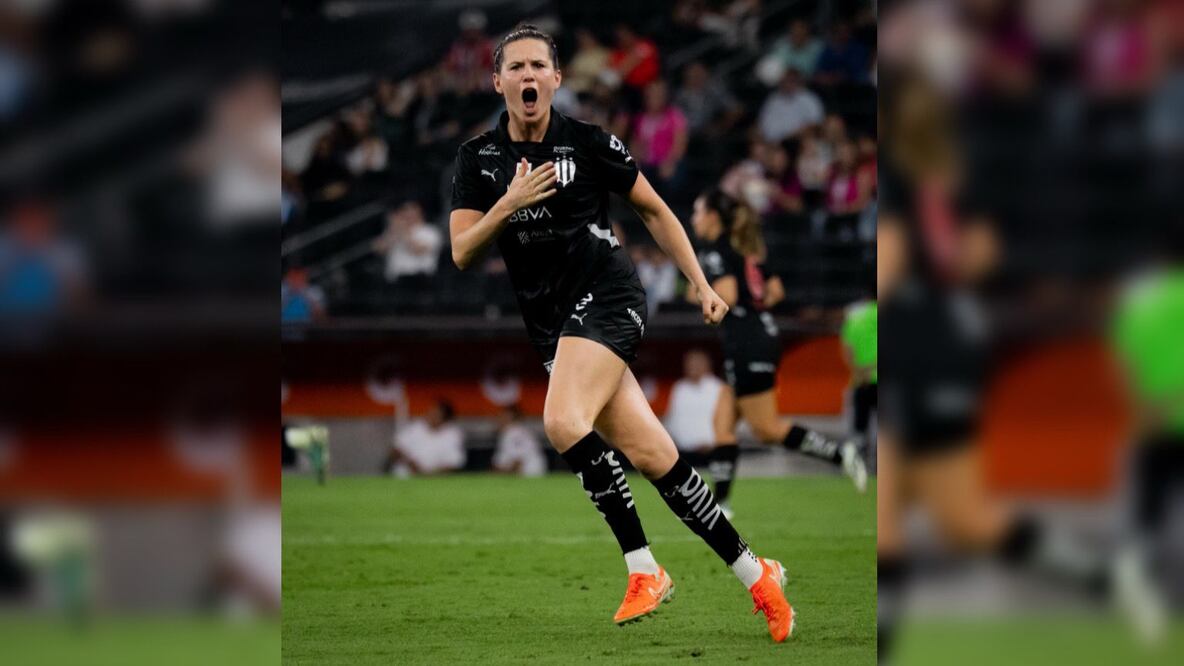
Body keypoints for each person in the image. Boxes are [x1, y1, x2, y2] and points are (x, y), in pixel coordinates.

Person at [449, 24, 793, 640]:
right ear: (497, 81)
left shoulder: (587, 143)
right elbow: (461, 252)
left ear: (557, 78)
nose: (528, 76)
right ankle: (757, 573)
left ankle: (644, 568)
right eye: (516, 67)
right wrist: (508, 202)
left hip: (608, 296)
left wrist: (701, 283)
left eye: (538, 66)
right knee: (656, 457)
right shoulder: (478, 160)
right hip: (552, 324)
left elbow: (655, 209)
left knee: (560, 422)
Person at [689, 189, 868, 520]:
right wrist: (754, 305)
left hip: (746, 340)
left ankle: (841, 455)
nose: (693, 219)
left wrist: (698, 290)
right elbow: (775, 291)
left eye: (698, 211)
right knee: (722, 424)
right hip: (758, 334)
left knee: (766, 428)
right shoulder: (745, 248)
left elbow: (725, 295)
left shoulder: (716, 251)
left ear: (714, 216)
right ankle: (721, 507)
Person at [664, 349, 724, 456]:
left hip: (712, 452)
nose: (693, 366)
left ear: (707, 365)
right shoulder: (679, 388)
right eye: (689, 363)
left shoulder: (719, 388)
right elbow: (672, 419)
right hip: (683, 452)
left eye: (697, 363)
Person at [383, 399, 465, 476]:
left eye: (436, 413)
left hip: (434, 480)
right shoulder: (415, 427)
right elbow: (395, 450)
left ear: (445, 418)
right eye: (431, 411)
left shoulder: (453, 434)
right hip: (404, 476)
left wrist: (430, 474)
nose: (430, 415)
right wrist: (411, 464)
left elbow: (454, 464)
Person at [372, 201, 443, 282]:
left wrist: (403, 232)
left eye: (411, 210)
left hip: (419, 280)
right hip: (395, 281)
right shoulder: (394, 231)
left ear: (419, 212)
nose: (407, 214)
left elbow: (418, 250)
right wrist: (392, 232)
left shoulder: (430, 231)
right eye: (405, 210)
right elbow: (378, 250)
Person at [841, 299, 877, 446]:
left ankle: (858, 450)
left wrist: (859, 371)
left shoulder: (854, 318)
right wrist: (872, 367)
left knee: (859, 422)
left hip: (860, 380)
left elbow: (847, 349)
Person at [756, 68, 823, 144]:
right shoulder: (772, 99)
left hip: (798, 142)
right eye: (785, 81)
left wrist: (794, 135)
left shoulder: (809, 98)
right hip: (772, 143)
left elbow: (816, 124)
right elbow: (762, 123)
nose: (788, 84)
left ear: (798, 81)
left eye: (791, 81)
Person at [491, 404, 547, 477]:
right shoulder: (513, 431)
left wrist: (500, 475)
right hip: (531, 473)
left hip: (529, 474)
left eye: (501, 416)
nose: (498, 419)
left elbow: (518, 462)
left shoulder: (514, 432)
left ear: (509, 417)